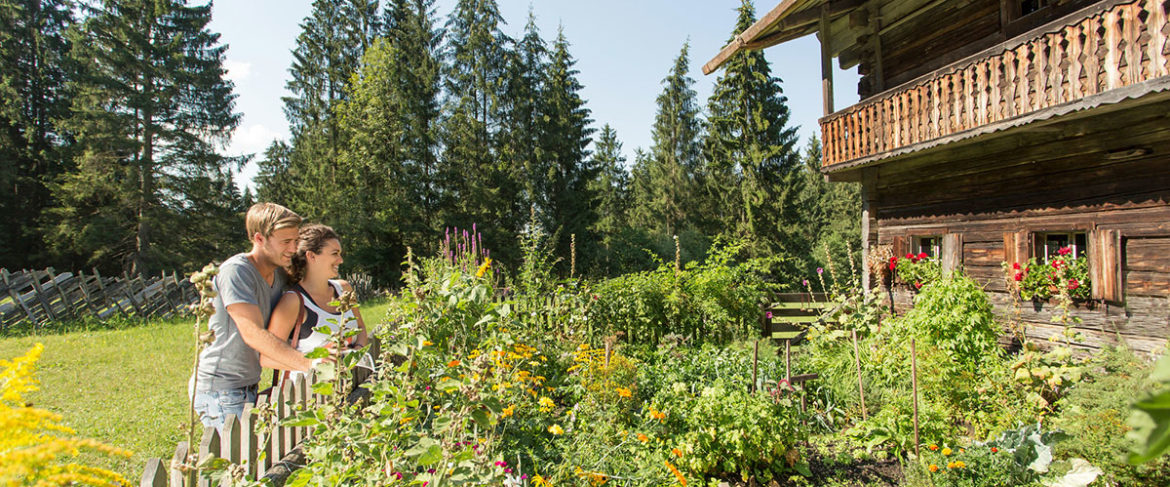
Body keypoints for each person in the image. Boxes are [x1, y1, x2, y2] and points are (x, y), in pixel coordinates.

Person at [190, 203, 321, 430]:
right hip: (221, 387)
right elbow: (252, 332)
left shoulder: (279, 273)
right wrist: (309, 364)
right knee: (238, 460)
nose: (293, 248)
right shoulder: (237, 271)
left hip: (248, 383)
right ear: (259, 239)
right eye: (285, 242)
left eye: (295, 240)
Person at [265, 224, 368, 381]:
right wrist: (313, 362)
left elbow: (360, 328)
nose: (340, 260)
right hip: (310, 396)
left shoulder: (344, 289)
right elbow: (267, 357)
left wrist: (357, 352)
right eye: (335, 253)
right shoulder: (294, 301)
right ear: (311, 256)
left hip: (350, 389)